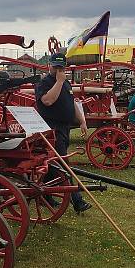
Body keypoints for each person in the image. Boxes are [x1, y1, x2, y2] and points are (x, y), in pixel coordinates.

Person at [35, 52, 91, 213]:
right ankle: (77, 201)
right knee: (63, 164)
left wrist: (82, 121)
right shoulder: (44, 83)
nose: (59, 70)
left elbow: (72, 102)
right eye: (56, 67)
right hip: (51, 129)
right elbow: (47, 100)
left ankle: (43, 193)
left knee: (54, 165)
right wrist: (59, 82)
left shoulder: (65, 83)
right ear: (49, 66)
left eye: (61, 67)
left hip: (64, 127)